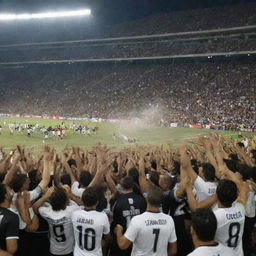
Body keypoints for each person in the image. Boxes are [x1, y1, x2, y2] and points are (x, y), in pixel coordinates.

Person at [115, 187, 177, 256]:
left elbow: (122, 245)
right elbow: (173, 250)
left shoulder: (137, 220)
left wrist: (119, 231)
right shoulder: (169, 220)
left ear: (147, 199)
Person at [34, 186, 80, 256]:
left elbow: (35, 207)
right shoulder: (71, 210)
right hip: (69, 250)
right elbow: (82, 205)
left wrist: (46, 196)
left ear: (50, 202)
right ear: (65, 202)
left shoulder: (47, 212)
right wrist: (69, 195)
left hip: (54, 250)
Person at [110, 176, 147, 256]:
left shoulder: (116, 200)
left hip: (122, 238)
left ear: (121, 186)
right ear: (133, 185)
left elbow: (113, 217)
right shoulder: (141, 199)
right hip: (138, 239)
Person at [71, 187, 110, 256]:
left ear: (83, 200)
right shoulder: (103, 217)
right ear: (97, 202)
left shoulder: (75, 214)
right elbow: (107, 237)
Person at [0, 183, 19, 256]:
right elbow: (12, 249)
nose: (11, 191)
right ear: (6, 195)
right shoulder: (12, 217)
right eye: (9, 190)